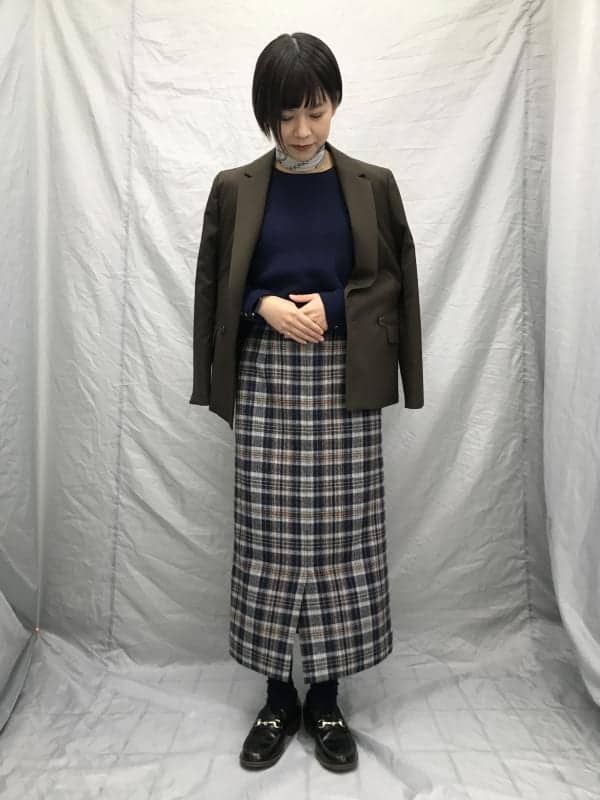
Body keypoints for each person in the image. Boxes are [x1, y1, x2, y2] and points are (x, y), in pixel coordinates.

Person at [190, 32, 424, 773]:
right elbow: (216, 283)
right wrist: (261, 304)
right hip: (264, 377)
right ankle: (276, 698)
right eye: (286, 115)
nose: (300, 131)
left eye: (314, 112)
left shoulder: (371, 184)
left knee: (342, 541)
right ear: (267, 113)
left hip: (344, 381)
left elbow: (393, 279)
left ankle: (324, 699)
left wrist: (334, 305)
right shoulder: (235, 187)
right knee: (267, 538)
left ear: (335, 104)